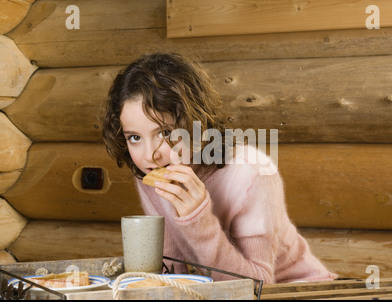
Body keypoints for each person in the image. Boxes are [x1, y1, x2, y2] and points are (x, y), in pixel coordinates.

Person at [101, 52, 337, 283]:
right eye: (135, 138)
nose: (150, 155)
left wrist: (197, 221)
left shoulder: (251, 173)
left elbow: (256, 287)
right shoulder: (149, 172)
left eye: (165, 133)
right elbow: (173, 273)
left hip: (295, 290)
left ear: (196, 124)